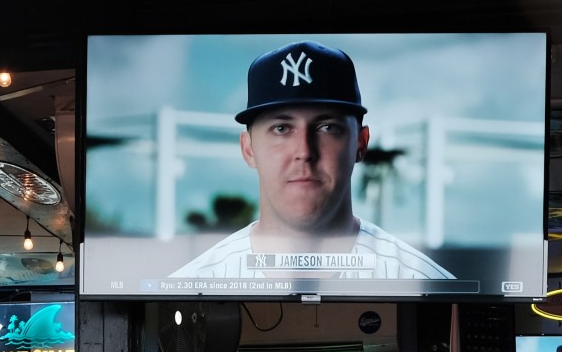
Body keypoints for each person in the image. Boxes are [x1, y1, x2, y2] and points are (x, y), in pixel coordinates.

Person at [170, 41, 451, 283]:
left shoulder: (426, 284)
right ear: (248, 149)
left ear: (360, 143)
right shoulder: (191, 284)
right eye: (281, 128)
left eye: (327, 127)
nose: (304, 151)